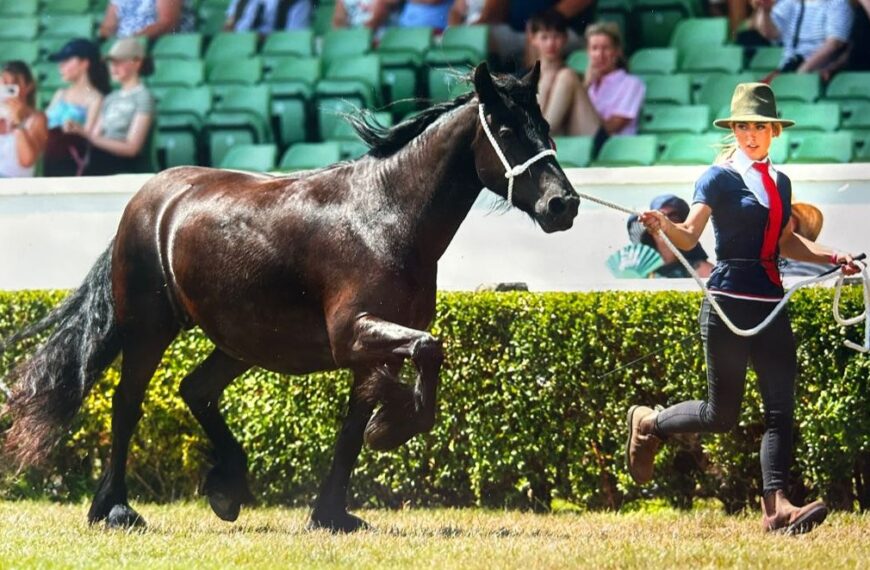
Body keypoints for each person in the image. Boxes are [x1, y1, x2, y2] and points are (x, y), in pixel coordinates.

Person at [625, 82, 861, 535]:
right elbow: (691, 235)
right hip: (728, 304)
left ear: (773, 130)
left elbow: (786, 240)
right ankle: (649, 422)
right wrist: (664, 225)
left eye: (758, 126)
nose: (750, 134)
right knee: (721, 415)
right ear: (732, 129)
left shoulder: (780, 182)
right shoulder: (717, 177)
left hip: (771, 305)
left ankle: (777, 508)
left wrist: (834, 257)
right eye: (741, 126)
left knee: (780, 410)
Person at [63, 38, 155, 176]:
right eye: (111, 63)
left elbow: (132, 148)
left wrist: (86, 134)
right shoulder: (111, 98)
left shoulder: (143, 97)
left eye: (119, 62)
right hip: (104, 161)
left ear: (137, 62)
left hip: (125, 166)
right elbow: (95, 136)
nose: (113, 67)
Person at [43, 39, 110, 177]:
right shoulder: (60, 93)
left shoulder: (96, 98)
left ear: (85, 63)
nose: (60, 66)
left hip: (71, 163)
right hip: (47, 156)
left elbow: (89, 138)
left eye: (67, 60)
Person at [527, 11, 600, 137]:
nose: (551, 44)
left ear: (565, 38)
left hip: (584, 135)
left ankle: (541, 135)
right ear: (533, 39)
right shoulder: (523, 77)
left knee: (566, 76)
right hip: (556, 141)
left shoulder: (574, 76)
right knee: (546, 80)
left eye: (556, 36)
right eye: (544, 37)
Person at [478, 0, 595, 71]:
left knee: (541, 36)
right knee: (484, 36)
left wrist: (540, 23)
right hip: (516, 32)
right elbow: (491, 14)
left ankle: (532, 89)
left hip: (564, 31)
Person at [751, 0, 854, 76]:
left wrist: (804, 70)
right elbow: (771, 34)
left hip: (820, 73)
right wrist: (765, 11)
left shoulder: (838, 4)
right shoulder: (790, 3)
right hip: (789, 69)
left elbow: (834, 43)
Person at [584, 22, 645, 143]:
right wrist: (586, 86)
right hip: (584, 143)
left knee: (566, 77)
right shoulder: (588, 85)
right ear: (588, 52)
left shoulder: (631, 84)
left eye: (605, 48)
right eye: (594, 48)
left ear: (617, 51)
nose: (599, 55)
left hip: (611, 144)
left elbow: (613, 127)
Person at [626, 195, 714, 278]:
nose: (665, 222)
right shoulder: (637, 269)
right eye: (659, 217)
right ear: (649, 226)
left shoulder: (702, 270)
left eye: (673, 216)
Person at [0, 61, 48, 178]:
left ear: (28, 87)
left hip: (16, 185)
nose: (8, 88)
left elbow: (27, 161)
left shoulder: (37, 119)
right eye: (4, 82)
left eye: (15, 83)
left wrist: (17, 122)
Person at [98, 0, 196, 40]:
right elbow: (109, 25)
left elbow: (167, 24)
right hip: (125, 46)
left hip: (156, 43)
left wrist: (132, 41)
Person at [223, 0, 313, 33]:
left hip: (272, 56)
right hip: (238, 50)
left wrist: (257, 39)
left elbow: (292, 41)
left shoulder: (298, 3)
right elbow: (229, 24)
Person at [332, 0, 399, 34]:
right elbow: (339, 22)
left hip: (381, 39)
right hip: (354, 38)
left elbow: (375, 20)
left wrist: (355, 39)